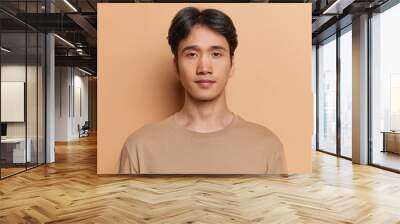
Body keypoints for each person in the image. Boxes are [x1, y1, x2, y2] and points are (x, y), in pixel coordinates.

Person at [119, 6, 288, 174]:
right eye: (192, 54)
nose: (204, 68)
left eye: (216, 54)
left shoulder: (267, 146)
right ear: (176, 66)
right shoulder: (139, 147)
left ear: (232, 64)